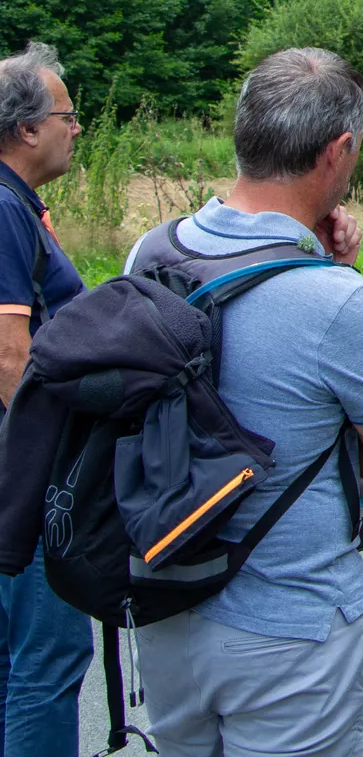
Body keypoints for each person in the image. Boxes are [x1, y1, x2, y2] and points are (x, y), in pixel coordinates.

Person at [126, 48, 363, 757]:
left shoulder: (150, 253)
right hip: (293, 630)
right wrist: (337, 281)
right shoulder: (338, 302)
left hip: (168, 608)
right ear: (338, 151)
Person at [0, 42, 92, 754]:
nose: (77, 127)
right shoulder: (4, 207)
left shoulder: (17, 207)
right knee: (46, 662)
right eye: (67, 114)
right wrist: (65, 460)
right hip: (27, 477)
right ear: (26, 129)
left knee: (14, 663)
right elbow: (9, 356)